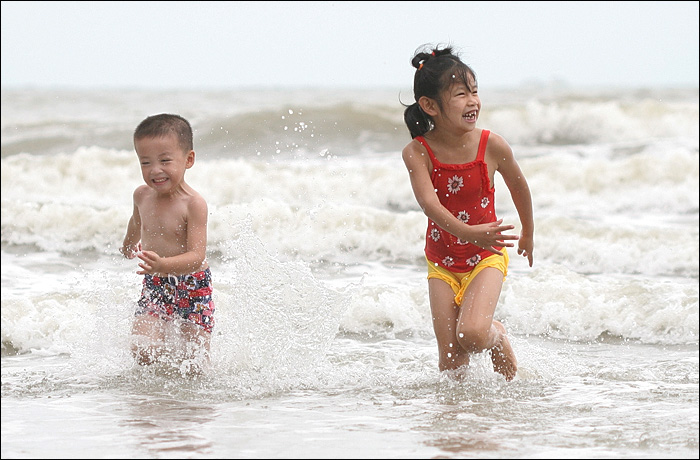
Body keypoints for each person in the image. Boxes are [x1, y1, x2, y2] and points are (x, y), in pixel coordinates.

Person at [401, 45, 534, 381]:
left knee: (472, 335)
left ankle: (497, 334)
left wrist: (528, 233)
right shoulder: (418, 152)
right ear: (430, 105)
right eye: (461, 94)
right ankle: (459, 425)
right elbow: (429, 204)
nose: (473, 101)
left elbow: (519, 187)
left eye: (474, 92)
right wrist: (466, 231)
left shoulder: (493, 145)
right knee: (451, 364)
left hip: (486, 255)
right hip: (441, 262)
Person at [120, 113, 215, 373]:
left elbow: (196, 255)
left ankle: (189, 404)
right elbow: (136, 223)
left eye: (164, 160)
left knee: (192, 362)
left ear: (188, 160)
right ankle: (158, 395)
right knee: (142, 349)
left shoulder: (193, 204)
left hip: (192, 286)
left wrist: (163, 263)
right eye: (145, 162)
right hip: (157, 282)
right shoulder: (141, 195)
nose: (154, 170)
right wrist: (128, 244)